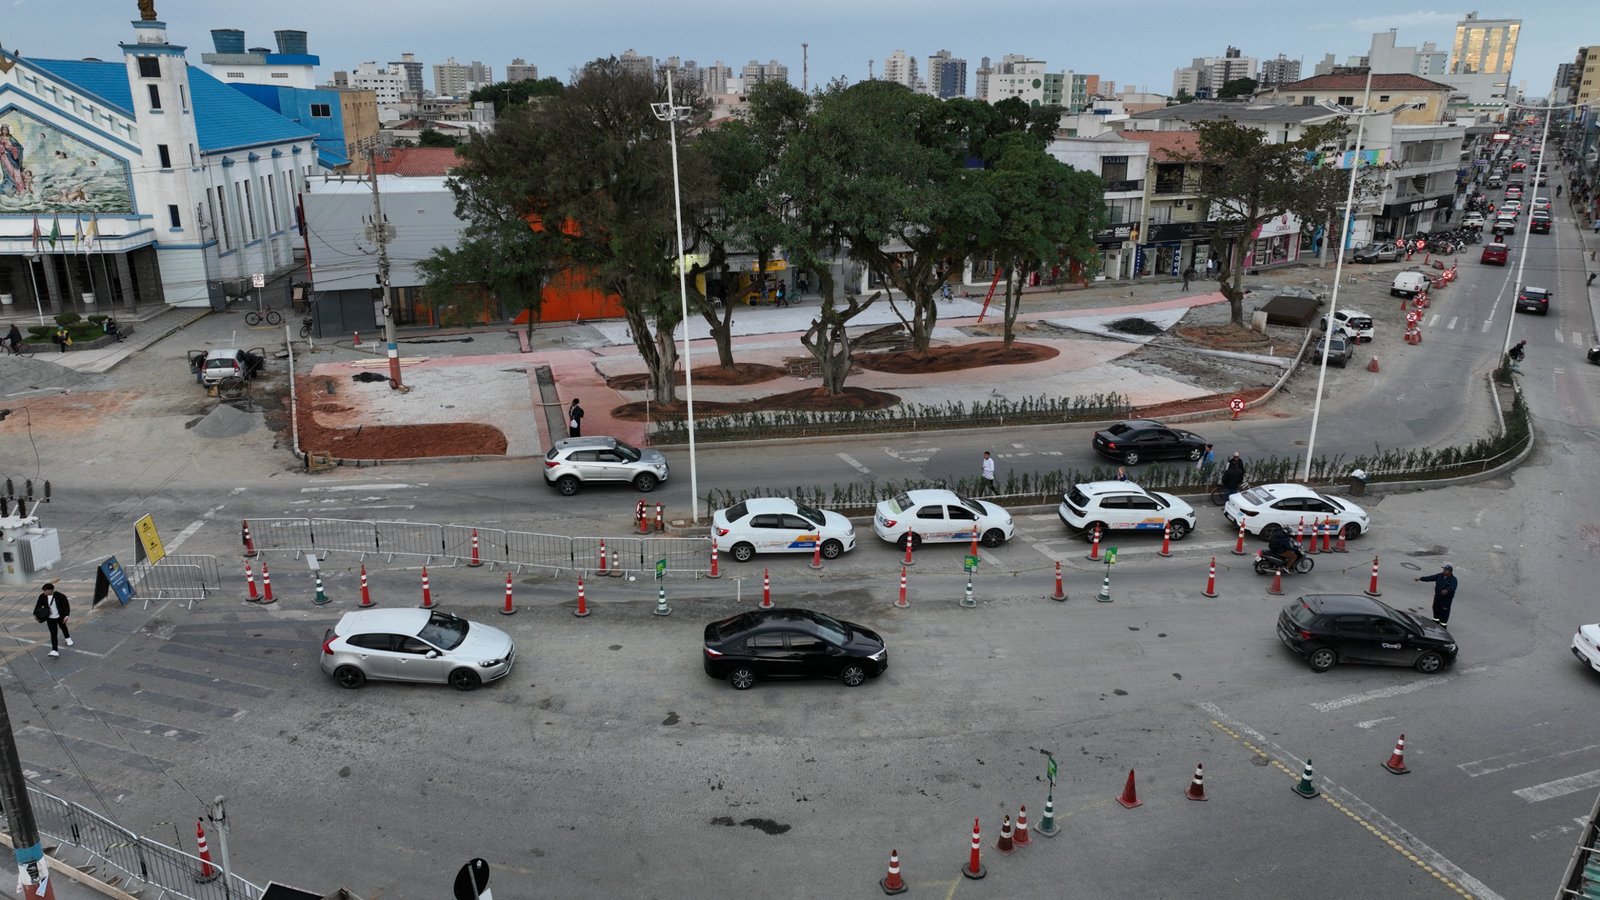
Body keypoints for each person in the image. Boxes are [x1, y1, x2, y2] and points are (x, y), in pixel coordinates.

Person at [32, 583, 72, 657]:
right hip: (50, 618)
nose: (44, 592)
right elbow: (38, 605)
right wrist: (35, 614)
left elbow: (66, 606)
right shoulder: (42, 596)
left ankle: (68, 638)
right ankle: (55, 650)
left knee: (63, 627)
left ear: (50, 590)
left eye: (45, 591)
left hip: (60, 617)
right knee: (53, 634)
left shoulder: (60, 596)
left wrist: (66, 615)